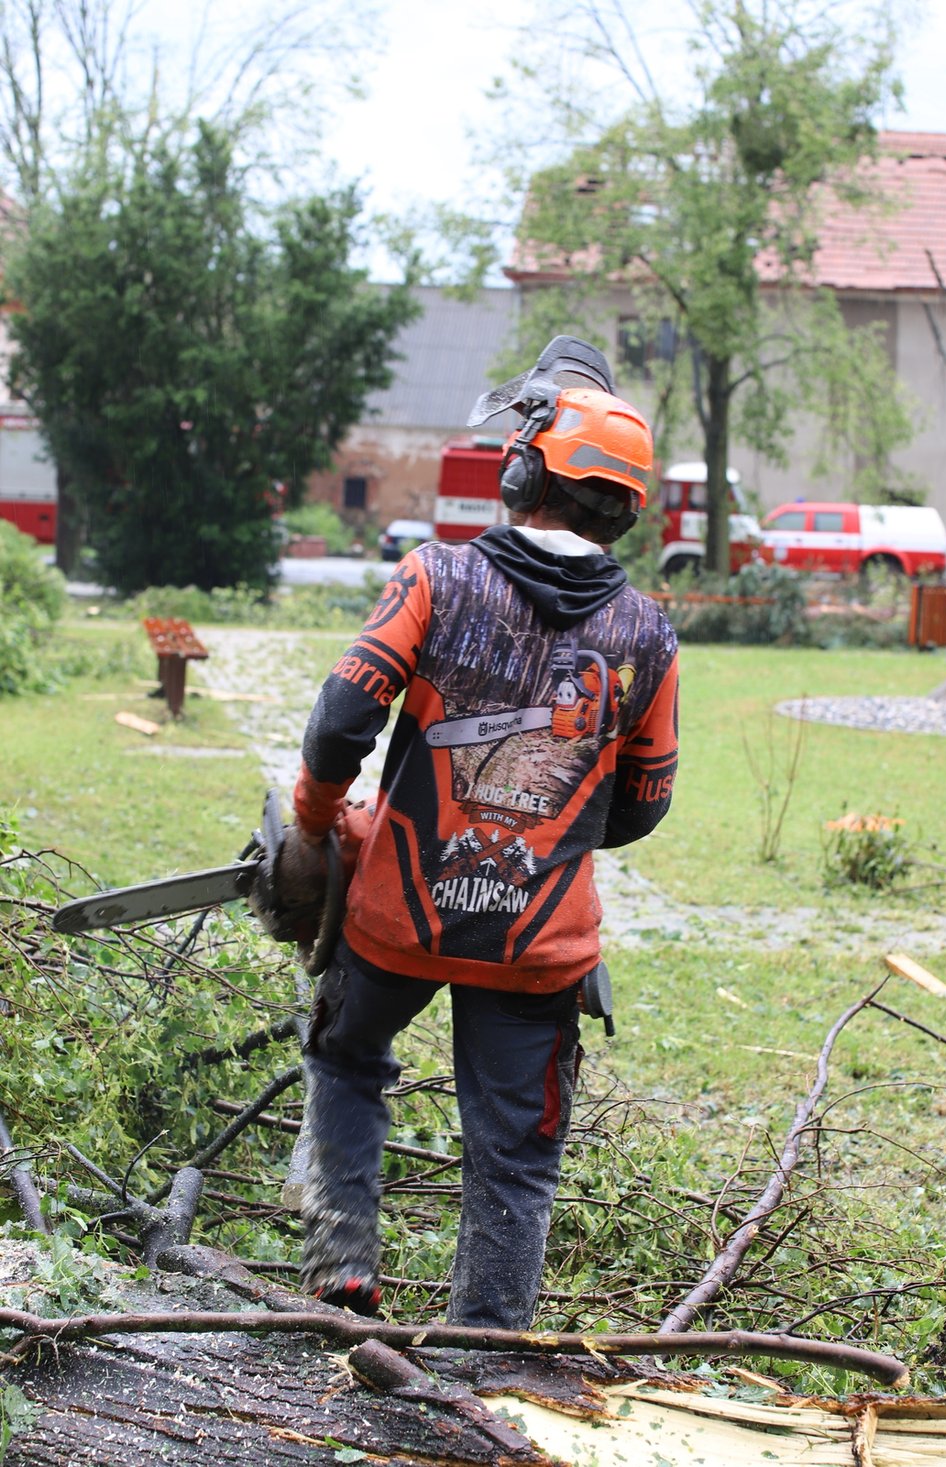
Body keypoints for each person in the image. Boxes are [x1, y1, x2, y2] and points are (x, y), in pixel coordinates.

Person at [285, 339, 679, 1327]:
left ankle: (343, 1279)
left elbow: (340, 723)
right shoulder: (648, 636)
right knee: (515, 1156)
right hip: (539, 942)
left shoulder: (436, 578)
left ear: (524, 470)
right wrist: (544, 826)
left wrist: (317, 825)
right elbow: (642, 803)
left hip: (397, 914)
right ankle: (485, 1349)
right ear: (627, 507)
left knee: (345, 1057)